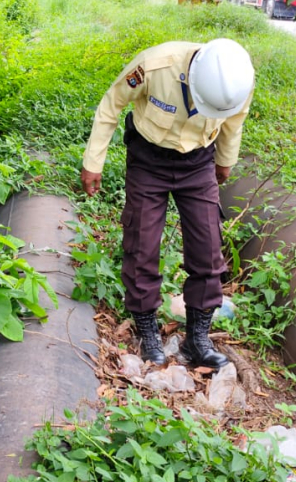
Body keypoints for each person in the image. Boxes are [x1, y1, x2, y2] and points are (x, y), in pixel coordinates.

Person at [80, 39, 255, 369]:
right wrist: (94, 161)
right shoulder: (154, 66)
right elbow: (111, 104)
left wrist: (225, 160)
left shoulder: (237, 79)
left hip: (199, 161)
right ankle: (147, 332)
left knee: (208, 247)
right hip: (149, 158)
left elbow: (234, 120)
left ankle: (197, 340)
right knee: (142, 245)